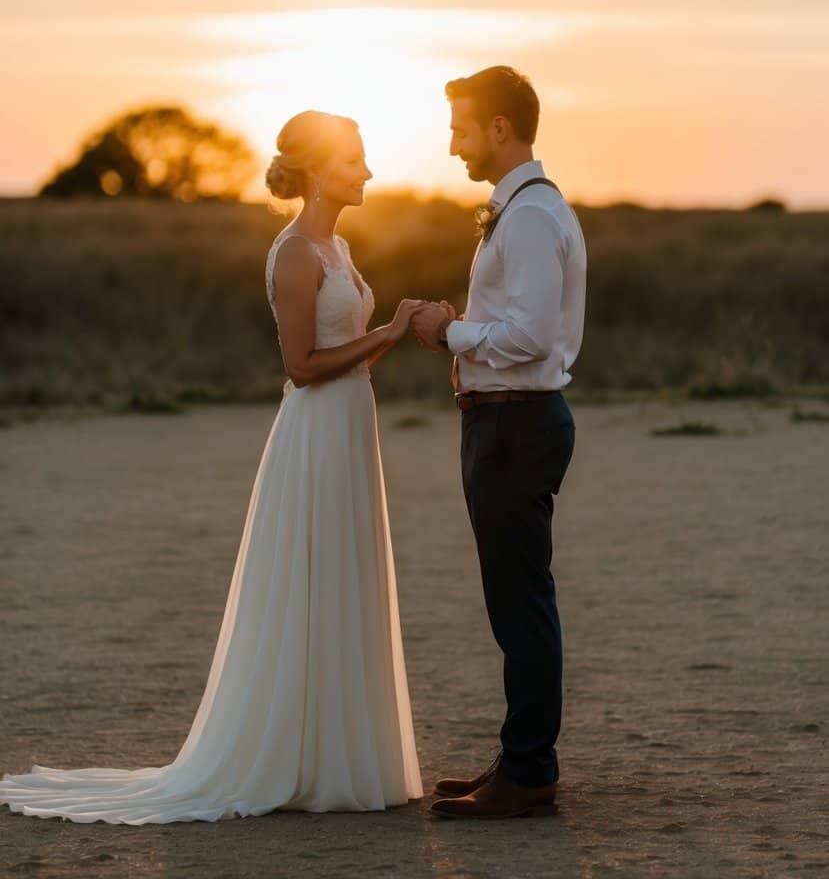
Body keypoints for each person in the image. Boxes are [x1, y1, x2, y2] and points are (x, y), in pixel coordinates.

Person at [0, 110, 424, 822]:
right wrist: (393, 329)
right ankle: (298, 759)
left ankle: (341, 754)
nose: (368, 171)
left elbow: (346, 351)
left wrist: (394, 333)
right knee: (310, 582)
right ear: (319, 172)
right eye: (355, 160)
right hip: (316, 435)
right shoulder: (295, 254)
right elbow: (300, 366)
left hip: (351, 430)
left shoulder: (339, 246)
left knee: (344, 577)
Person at [411, 65, 587, 819]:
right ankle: (517, 756)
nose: (451, 144)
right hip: (501, 421)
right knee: (513, 597)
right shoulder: (517, 211)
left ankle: (527, 770)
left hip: (516, 425)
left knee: (520, 601)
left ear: (499, 129)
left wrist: (445, 331)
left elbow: (530, 335)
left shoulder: (530, 218)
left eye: (459, 129)